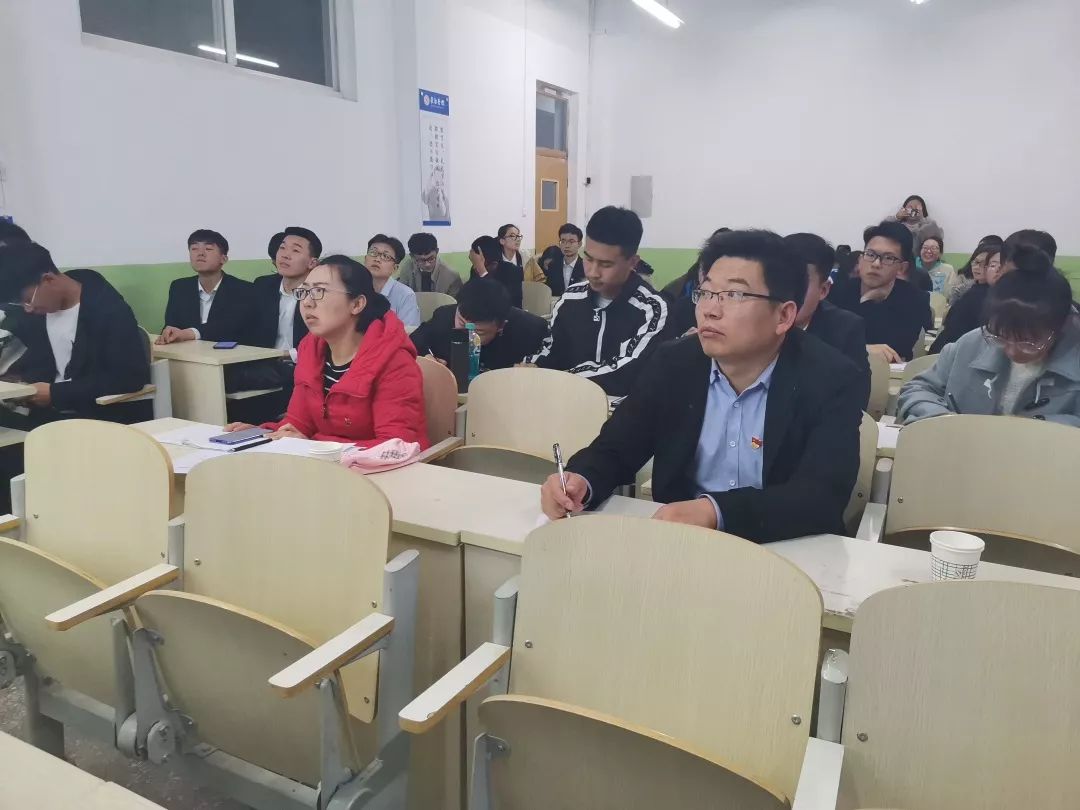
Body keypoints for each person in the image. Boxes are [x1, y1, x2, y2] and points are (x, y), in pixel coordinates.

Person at [539, 229, 863, 543]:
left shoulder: (831, 378)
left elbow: (821, 496)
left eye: (734, 295)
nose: (710, 310)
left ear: (784, 315)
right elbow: (617, 447)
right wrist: (582, 479)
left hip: (787, 550)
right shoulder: (674, 363)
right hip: (682, 544)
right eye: (705, 292)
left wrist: (716, 512)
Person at [225, 256, 428, 446]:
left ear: (357, 304)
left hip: (378, 470)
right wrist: (264, 433)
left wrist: (313, 444)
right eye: (304, 292)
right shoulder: (311, 351)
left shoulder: (394, 362)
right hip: (323, 464)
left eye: (319, 291)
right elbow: (298, 424)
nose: (307, 302)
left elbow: (395, 446)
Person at [898, 245, 1079, 426]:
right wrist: (943, 419)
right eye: (1000, 337)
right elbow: (918, 389)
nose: (1011, 350)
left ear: (1060, 328)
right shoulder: (971, 344)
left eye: (1028, 342)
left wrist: (1034, 427)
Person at [526, 206, 673, 396]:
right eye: (588, 259)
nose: (593, 273)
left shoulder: (652, 309)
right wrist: (533, 366)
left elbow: (626, 371)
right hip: (565, 403)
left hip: (621, 410)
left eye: (606, 264)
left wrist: (561, 379)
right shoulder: (570, 299)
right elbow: (551, 350)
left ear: (632, 262)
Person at [0, 242, 150, 426]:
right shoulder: (39, 313)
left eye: (27, 300)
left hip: (94, 416)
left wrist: (55, 393)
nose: (28, 309)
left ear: (48, 280)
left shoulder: (108, 310)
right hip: (44, 413)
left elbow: (130, 377)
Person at [929, 230, 1058, 353]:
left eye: (999, 265)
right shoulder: (977, 297)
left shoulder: (1012, 304)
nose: (998, 270)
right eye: (993, 265)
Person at [784, 233, 871, 408]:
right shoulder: (755, 322)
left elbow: (854, 399)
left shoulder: (845, 329)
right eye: (780, 279)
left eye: (801, 281)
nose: (788, 290)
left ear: (823, 290)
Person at [830, 220, 932, 363]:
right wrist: (863, 348)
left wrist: (868, 302)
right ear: (860, 260)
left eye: (888, 258)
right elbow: (824, 341)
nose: (876, 264)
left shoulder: (915, 300)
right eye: (870, 254)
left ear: (901, 268)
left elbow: (896, 349)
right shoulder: (837, 291)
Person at [411, 278, 548, 370]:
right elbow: (415, 339)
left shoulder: (529, 329)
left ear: (500, 326)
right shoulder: (444, 316)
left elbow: (552, 358)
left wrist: (534, 366)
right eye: (461, 323)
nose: (467, 335)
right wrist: (429, 359)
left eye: (477, 332)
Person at [159, 229, 257, 345]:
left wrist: (191, 333)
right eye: (194, 249)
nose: (200, 253)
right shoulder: (179, 287)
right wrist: (168, 334)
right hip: (186, 353)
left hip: (228, 354)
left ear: (223, 259)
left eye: (208, 249)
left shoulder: (243, 290)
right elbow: (171, 325)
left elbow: (231, 327)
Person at [365, 234, 421, 330]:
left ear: (395, 268)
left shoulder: (405, 295)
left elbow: (408, 332)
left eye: (385, 256)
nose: (377, 259)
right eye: (373, 252)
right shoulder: (353, 288)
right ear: (365, 259)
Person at [397, 233, 463, 298]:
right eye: (421, 260)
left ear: (437, 251)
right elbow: (400, 294)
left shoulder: (451, 275)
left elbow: (455, 302)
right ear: (412, 256)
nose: (427, 264)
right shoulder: (407, 267)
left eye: (431, 258)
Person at [469, 235, 523, 308]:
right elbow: (469, 296)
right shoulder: (476, 269)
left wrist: (482, 271)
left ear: (494, 264)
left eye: (478, 262)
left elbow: (499, 302)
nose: (475, 267)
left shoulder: (512, 271)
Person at [946, 240, 996, 305]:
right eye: (976, 262)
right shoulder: (963, 289)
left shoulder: (996, 293)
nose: (976, 267)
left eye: (983, 263)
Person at [542, 223, 585, 296]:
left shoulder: (586, 267)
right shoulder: (553, 266)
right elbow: (549, 292)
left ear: (579, 244)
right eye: (563, 241)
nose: (567, 245)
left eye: (571, 241)